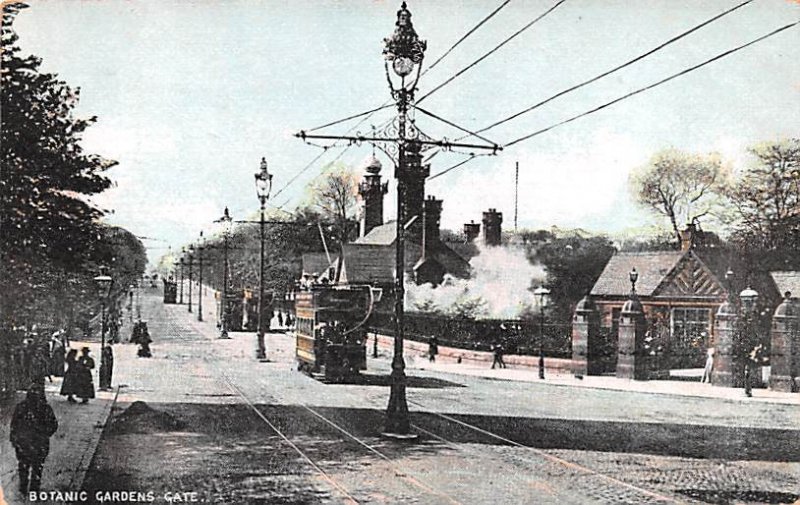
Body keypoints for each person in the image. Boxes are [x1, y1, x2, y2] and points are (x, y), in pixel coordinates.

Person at [10, 383, 58, 494]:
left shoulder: (21, 407)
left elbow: (14, 425)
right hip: (39, 443)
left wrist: (14, 439)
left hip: (24, 442)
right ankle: (34, 488)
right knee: (37, 466)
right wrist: (45, 434)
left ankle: (23, 486)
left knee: (23, 465)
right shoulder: (46, 408)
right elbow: (54, 425)